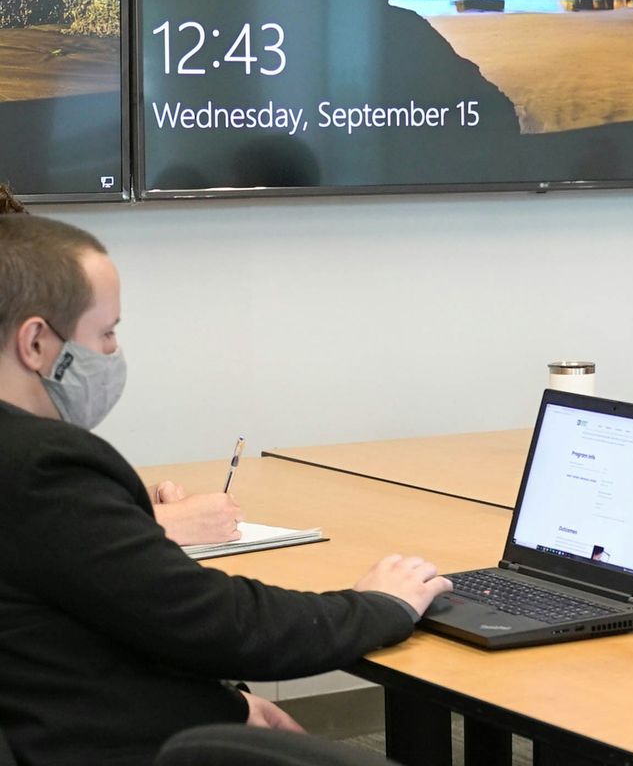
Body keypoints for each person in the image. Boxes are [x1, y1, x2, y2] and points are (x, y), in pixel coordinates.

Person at [0, 192, 454, 764]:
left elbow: (67, 643)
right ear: (37, 343)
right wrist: (378, 605)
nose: (114, 352)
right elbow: (216, 624)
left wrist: (225, 706)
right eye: (106, 333)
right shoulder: (42, 465)